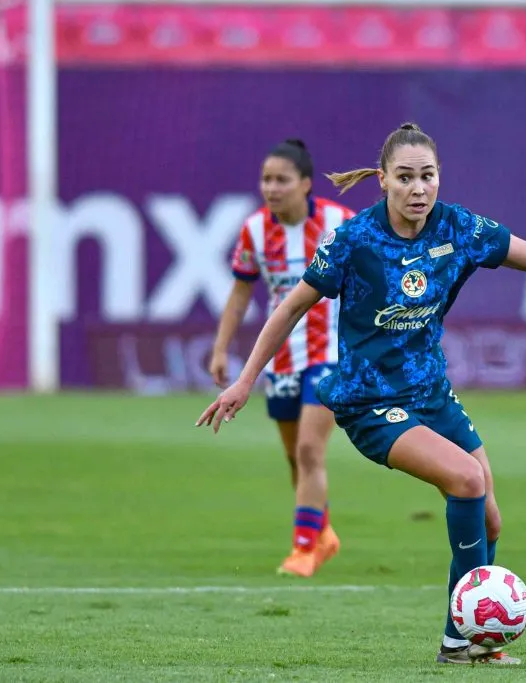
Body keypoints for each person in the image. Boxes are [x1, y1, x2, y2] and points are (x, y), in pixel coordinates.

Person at [197, 123, 526, 664]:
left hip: (432, 395)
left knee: (490, 517)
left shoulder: (459, 227)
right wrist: (244, 379)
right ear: (383, 181)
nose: (418, 188)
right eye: (405, 178)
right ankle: (460, 642)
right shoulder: (355, 239)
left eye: (427, 176)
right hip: (369, 403)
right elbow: (290, 307)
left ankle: (476, 637)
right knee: (467, 481)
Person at [209, 138, 355, 578]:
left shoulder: (339, 222)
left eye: (281, 180)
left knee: (311, 449)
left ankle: (303, 550)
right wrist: (221, 348)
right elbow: (240, 295)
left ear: (306, 184)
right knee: (296, 457)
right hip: (282, 357)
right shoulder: (255, 229)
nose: (271, 188)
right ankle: (323, 532)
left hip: (331, 351)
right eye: (266, 179)